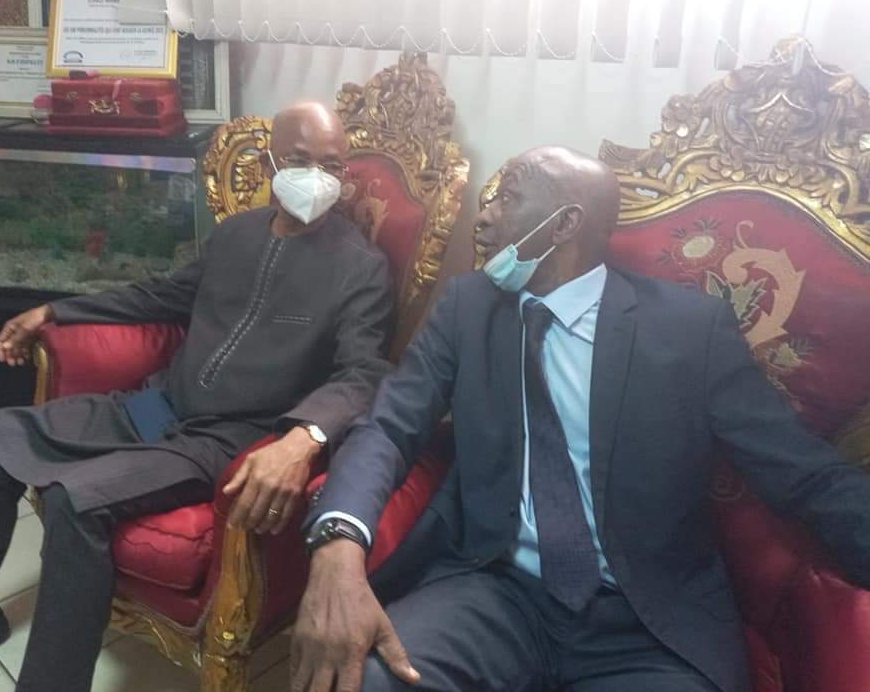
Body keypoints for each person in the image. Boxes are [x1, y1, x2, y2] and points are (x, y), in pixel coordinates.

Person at [290, 146, 870, 692]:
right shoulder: (467, 307)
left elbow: (802, 471)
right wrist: (339, 541)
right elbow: (390, 427)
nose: (483, 217)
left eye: (506, 198)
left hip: (646, 622)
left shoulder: (689, 330)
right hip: (492, 590)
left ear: (564, 224)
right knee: (367, 679)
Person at [0, 101, 395, 691]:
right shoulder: (236, 234)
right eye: (299, 160)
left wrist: (303, 437)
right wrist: (56, 311)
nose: (316, 177)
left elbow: (363, 373)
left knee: (75, 502)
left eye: (332, 165)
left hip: (221, 441)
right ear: (269, 162)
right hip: (153, 405)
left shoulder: (360, 267)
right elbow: (160, 295)